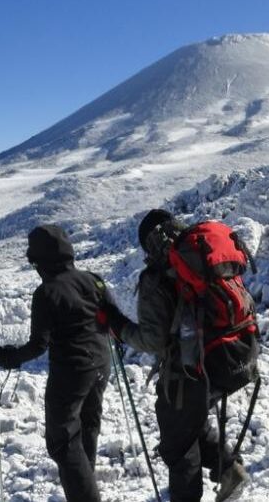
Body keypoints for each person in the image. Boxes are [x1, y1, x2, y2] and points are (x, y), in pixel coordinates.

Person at [0, 224, 132, 502]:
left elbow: (38, 345)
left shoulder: (47, 292)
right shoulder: (93, 280)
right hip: (101, 363)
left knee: (63, 441)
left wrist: (0, 357)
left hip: (71, 371)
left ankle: (85, 496)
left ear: (38, 261)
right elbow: (114, 320)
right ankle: (86, 486)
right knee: (88, 427)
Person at [108, 209, 250, 502]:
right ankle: (229, 469)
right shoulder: (203, 257)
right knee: (192, 422)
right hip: (227, 358)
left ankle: (206, 485)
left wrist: (119, 328)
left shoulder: (157, 277)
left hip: (186, 373)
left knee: (178, 445)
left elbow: (153, 339)